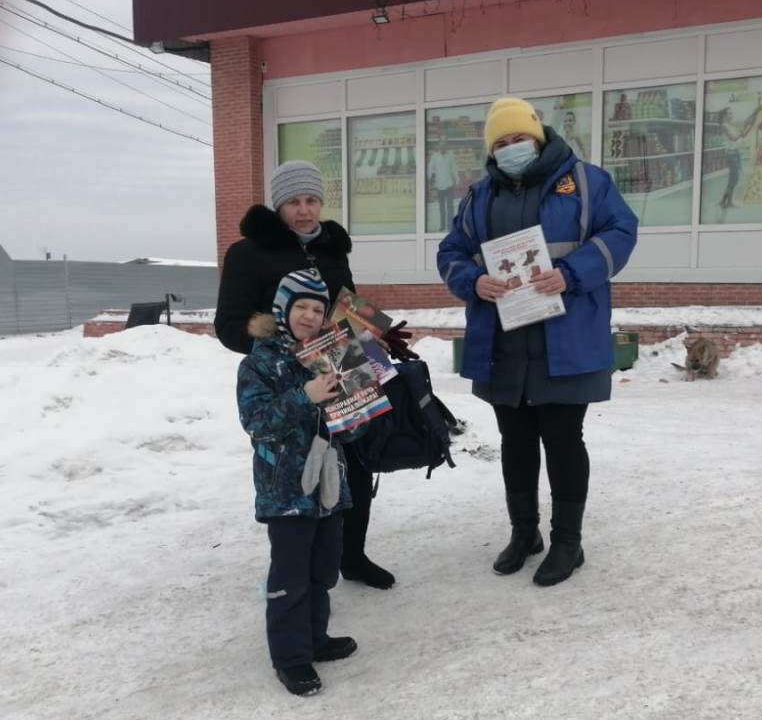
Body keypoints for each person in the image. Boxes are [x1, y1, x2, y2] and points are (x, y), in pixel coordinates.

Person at [437, 97, 638, 586]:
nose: (511, 149)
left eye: (517, 138)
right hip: (504, 342)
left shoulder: (586, 182)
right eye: (500, 143)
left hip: (564, 339)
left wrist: (572, 273)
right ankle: (524, 533)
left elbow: (622, 231)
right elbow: (452, 251)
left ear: (538, 136)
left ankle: (569, 542)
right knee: (516, 442)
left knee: (564, 440)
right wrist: (472, 281)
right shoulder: (479, 195)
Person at [216, 160, 409, 590]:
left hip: (342, 367)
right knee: (298, 477)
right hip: (289, 383)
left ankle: (351, 557)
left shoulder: (332, 248)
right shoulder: (248, 252)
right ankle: (299, 573)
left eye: (311, 201)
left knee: (355, 464)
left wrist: (378, 335)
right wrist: (282, 349)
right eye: (293, 202)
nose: (304, 211)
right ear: (278, 205)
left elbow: (346, 305)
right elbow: (228, 325)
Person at [236, 269, 360, 697]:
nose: (309, 315)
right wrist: (305, 395)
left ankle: (315, 639)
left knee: (323, 569)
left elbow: (348, 427)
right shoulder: (259, 363)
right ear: (282, 310)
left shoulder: (332, 354)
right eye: (300, 307)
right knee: (290, 575)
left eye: (317, 309)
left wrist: (362, 400)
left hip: (328, 483)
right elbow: (257, 423)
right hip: (285, 488)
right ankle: (290, 658)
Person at [717, 107, 755, 209]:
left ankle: (725, 201)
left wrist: (750, 126)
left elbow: (742, 135)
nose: (732, 115)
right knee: (734, 179)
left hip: (735, 153)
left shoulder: (730, 125)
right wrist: (744, 127)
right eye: (729, 113)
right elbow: (734, 138)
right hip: (731, 154)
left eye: (731, 113)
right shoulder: (724, 126)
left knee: (733, 179)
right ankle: (726, 202)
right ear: (724, 115)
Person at [427, 134, 459, 229]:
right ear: (438, 146)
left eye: (444, 145)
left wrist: (457, 180)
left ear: (446, 146)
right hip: (439, 185)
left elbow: (454, 168)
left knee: (450, 206)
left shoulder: (450, 155)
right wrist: (429, 179)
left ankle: (450, 225)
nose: (443, 147)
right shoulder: (434, 157)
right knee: (442, 207)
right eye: (441, 145)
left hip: (449, 184)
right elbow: (429, 169)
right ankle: (442, 225)